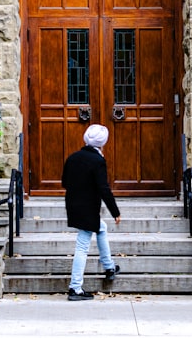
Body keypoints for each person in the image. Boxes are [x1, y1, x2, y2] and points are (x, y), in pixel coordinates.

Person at [62, 123, 121, 301]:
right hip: (87, 207)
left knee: (101, 228)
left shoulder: (72, 158)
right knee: (82, 245)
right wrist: (115, 211)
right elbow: (104, 188)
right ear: (102, 142)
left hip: (74, 204)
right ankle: (75, 287)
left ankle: (109, 266)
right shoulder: (98, 161)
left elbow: (65, 182)